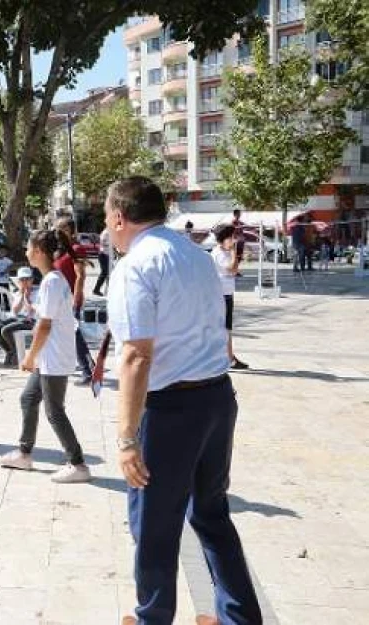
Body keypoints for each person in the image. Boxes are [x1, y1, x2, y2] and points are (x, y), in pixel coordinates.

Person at [105, 176, 261, 625]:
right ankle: (240, 616)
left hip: (170, 410)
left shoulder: (136, 266)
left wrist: (127, 438)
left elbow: (136, 354)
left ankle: (153, 616)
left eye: (107, 221)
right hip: (215, 397)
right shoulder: (195, 254)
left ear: (119, 217)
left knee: (153, 524)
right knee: (211, 514)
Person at [0, 230, 92, 483]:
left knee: (54, 412)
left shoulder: (52, 281)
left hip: (54, 357)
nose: (26, 252)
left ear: (39, 251)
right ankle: (24, 453)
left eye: (28, 248)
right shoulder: (53, 279)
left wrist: (30, 357)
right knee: (28, 399)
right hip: (49, 357)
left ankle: (78, 464)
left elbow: (44, 325)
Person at [53, 217, 94, 385]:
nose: (57, 230)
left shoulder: (76, 249)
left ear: (71, 230)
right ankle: (85, 366)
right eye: (57, 227)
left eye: (61, 227)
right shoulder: (60, 251)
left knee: (75, 335)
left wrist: (76, 297)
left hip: (70, 299)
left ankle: (88, 369)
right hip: (60, 300)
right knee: (69, 335)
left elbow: (80, 275)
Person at [210, 225, 248, 370]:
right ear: (224, 239)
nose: (234, 240)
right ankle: (229, 359)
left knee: (225, 328)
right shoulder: (219, 253)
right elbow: (233, 270)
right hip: (222, 295)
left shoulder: (222, 252)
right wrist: (233, 252)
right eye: (232, 237)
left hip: (225, 294)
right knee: (225, 329)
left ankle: (227, 358)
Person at [0, 266, 37, 367]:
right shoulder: (17, 293)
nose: (25, 282)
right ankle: (10, 352)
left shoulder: (37, 292)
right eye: (22, 279)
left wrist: (27, 298)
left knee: (6, 330)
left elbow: (32, 311)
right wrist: (22, 296)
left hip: (32, 320)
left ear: (32, 279)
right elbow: (15, 311)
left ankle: (16, 354)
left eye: (27, 279)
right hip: (19, 318)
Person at [93, 226, 112, 297]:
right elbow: (103, 243)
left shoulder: (108, 232)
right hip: (103, 254)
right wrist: (111, 244)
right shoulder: (106, 232)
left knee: (108, 272)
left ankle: (103, 289)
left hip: (106, 254)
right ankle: (96, 289)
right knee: (105, 272)